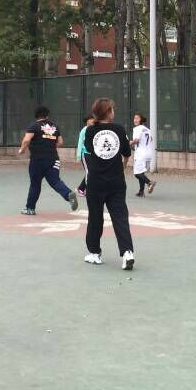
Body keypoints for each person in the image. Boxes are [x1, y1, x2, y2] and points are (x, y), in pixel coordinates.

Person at [83, 98, 134, 269]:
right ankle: (127, 252)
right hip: (116, 181)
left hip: (96, 182)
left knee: (95, 218)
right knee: (120, 217)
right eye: (112, 109)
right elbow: (127, 153)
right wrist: (122, 166)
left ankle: (94, 253)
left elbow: (89, 149)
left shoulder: (90, 131)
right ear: (108, 112)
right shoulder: (119, 129)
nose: (114, 111)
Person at [18, 106, 79, 215]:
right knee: (55, 181)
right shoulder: (55, 126)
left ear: (36, 115)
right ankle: (69, 194)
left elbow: (26, 140)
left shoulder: (34, 126)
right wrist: (49, 146)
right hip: (53, 159)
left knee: (35, 184)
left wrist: (22, 149)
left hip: (37, 160)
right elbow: (60, 142)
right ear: (47, 115)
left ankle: (30, 209)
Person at [131, 112, 156, 197]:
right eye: (134, 118)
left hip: (141, 154)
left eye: (137, 118)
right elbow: (151, 139)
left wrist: (130, 143)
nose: (135, 120)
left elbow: (136, 140)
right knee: (141, 173)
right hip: (149, 154)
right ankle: (141, 192)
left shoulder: (137, 128)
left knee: (137, 173)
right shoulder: (147, 129)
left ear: (141, 120)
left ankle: (149, 183)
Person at [76, 113, 95, 197]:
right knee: (89, 171)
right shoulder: (84, 130)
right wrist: (78, 155)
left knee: (92, 171)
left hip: (92, 154)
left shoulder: (94, 129)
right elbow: (80, 143)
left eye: (93, 119)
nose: (92, 120)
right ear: (86, 121)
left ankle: (81, 189)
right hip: (85, 154)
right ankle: (89, 190)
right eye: (90, 119)